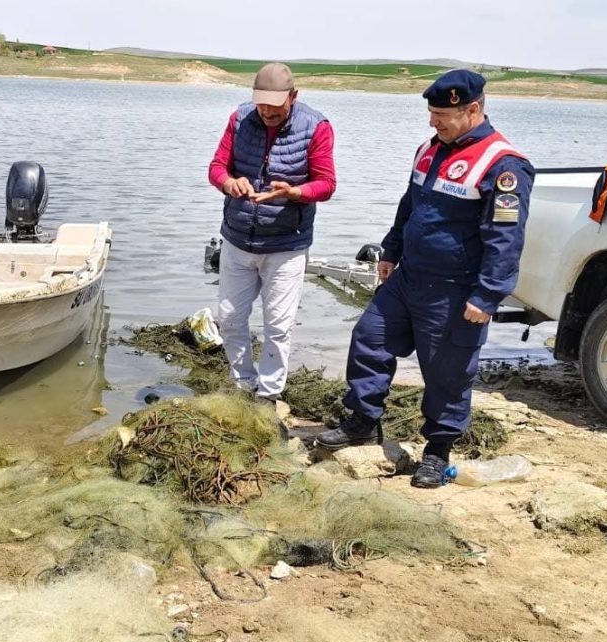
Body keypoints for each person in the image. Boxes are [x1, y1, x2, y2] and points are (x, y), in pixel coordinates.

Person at [306, 69, 535, 488]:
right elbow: (410, 204)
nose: (433, 122)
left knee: (447, 373)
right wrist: (390, 250)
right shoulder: (429, 150)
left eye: (442, 115)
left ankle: (437, 451)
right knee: (368, 340)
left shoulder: (503, 166)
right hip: (408, 277)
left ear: (473, 109)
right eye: (431, 114)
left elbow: (506, 240)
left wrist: (487, 296)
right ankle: (363, 420)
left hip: (454, 290)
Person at [208, 62, 337, 403]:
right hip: (237, 238)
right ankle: (243, 384)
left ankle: (268, 395)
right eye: (261, 104)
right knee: (231, 319)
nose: (266, 112)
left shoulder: (316, 127)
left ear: (293, 97)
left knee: (278, 326)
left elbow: (326, 185)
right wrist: (229, 182)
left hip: (286, 245)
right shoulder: (240, 119)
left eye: (275, 106)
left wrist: (294, 193)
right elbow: (217, 167)